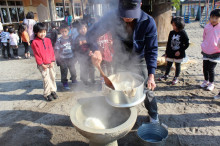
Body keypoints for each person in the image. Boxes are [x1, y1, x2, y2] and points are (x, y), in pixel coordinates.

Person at [87, 0, 159, 122]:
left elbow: (151, 50)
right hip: (120, 59)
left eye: (131, 14)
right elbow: (91, 34)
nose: (127, 17)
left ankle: (153, 116)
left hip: (139, 59)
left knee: (147, 90)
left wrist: (151, 74)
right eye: (124, 13)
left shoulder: (148, 22)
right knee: (117, 90)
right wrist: (95, 49)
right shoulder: (112, 17)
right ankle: (122, 117)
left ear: (140, 5)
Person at [158, 16, 189, 85]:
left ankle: (176, 77)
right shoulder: (171, 32)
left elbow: (186, 44)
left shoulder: (183, 33)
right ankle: (166, 75)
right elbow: (169, 43)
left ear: (179, 25)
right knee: (169, 64)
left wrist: (180, 51)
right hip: (171, 52)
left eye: (174, 25)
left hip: (179, 53)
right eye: (172, 25)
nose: (173, 26)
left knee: (177, 66)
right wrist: (166, 52)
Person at [31, 23, 58, 101]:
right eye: (40, 32)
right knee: (46, 79)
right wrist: (41, 64)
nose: (43, 34)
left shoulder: (48, 40)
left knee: (52, 77)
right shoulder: (34, 42)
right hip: (43, 64)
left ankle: (53, 91)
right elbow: (36, 55)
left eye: (44, 32)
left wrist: (52, 61)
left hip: (50, 62)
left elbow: (51, 51)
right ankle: (47, 93)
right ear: (36, 32)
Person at [200, 9, 220, 91]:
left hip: (215, 51)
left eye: (216, 18)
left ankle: (211, 83)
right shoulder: (207, 26)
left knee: (211, 68)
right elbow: (204, 37)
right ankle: (206, 81)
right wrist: (203, 45)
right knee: (205, 67)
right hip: (206, 51)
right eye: (212, 17)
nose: (214, 20)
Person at [54, 24, 77, 90]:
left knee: (73, 69)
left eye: (65, 31)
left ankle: (74, 79)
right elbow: (57, 49)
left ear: (68, 31)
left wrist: (75, 56)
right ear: (60, 32)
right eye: (62, 32)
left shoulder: (71, 39)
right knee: (64, 71)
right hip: (62, 58)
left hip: (71, 57)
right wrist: (57, 59)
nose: (64, 33)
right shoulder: (59, 40)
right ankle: (64, 82)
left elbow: (74, 47)